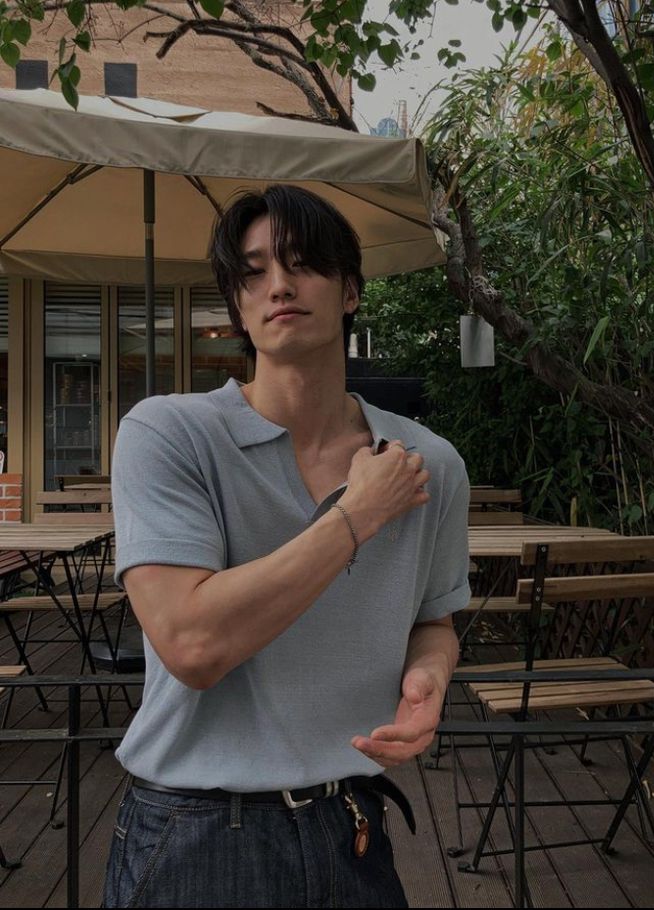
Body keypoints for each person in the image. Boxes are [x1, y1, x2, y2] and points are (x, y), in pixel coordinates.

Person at [103, 185, 470, 908]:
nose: (278, 284)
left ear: (351, 291)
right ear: (236, 303)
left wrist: (430, 678)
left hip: (354, 821)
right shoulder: (168, 434)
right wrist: (354, 516)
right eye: (253, 271)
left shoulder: (430, 463)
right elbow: (193, 644)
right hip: (196, 832)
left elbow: (433, 619)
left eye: (303, 263)